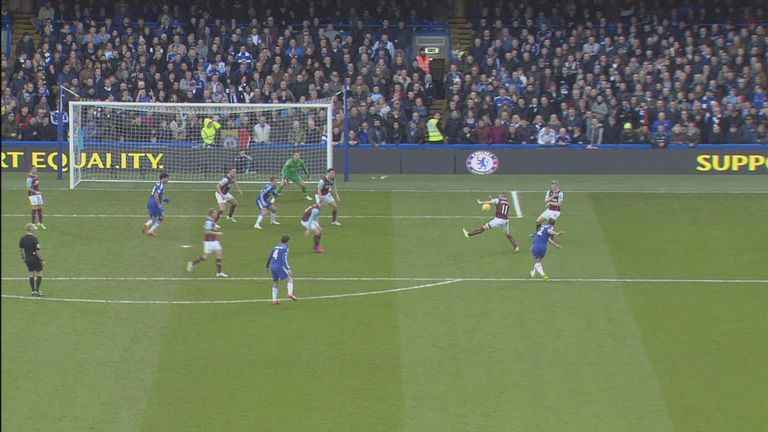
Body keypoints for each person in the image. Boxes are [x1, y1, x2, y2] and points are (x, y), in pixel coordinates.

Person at [186, 208, 228, 277]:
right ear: (211, 214)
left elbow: (212, 229)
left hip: (214, 241)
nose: (216, 214)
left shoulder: (212, 221)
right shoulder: (209, 222)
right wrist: (217, 233)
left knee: (219, 253)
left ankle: (219, 272)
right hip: (208, 242)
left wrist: (215, 230)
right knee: (205, 257)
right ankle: (192, 263)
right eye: (214, 213)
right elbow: (207, 231)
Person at [266, 235, 298, 305]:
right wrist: (288, 268)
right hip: (279, 266)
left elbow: (270, 257)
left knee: (275, 283)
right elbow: (284, 259)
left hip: (273, 266)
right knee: (290, 279)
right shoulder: (285, 248)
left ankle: (274, 300)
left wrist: (267, 267)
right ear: (287, 241)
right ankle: (289, 294)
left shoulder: (275, 247)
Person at [19, 223, 44, 296]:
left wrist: (23, 258)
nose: (35, 230)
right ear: (31, 229)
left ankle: (33, 291)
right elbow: (38, 251)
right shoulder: (34, 239)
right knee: (39, 272)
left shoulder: (22, 238)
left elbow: (21, 249)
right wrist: (42, 259)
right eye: (34, 228)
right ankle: (37, 290)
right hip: (35, 258)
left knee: (31, 273)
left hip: (28, 258)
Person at [143, 172, 170, 237]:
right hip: (155, 203)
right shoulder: (161, 185)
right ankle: (151, 231)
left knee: (153, 218)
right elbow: (156, 195)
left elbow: (157, 195)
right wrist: (159, 205)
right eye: (166, 178)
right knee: (161, 217)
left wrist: (163, 199)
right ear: (163, 179)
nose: (168, 180)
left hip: (150, 202)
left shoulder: (157, 184)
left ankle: (146, 224)